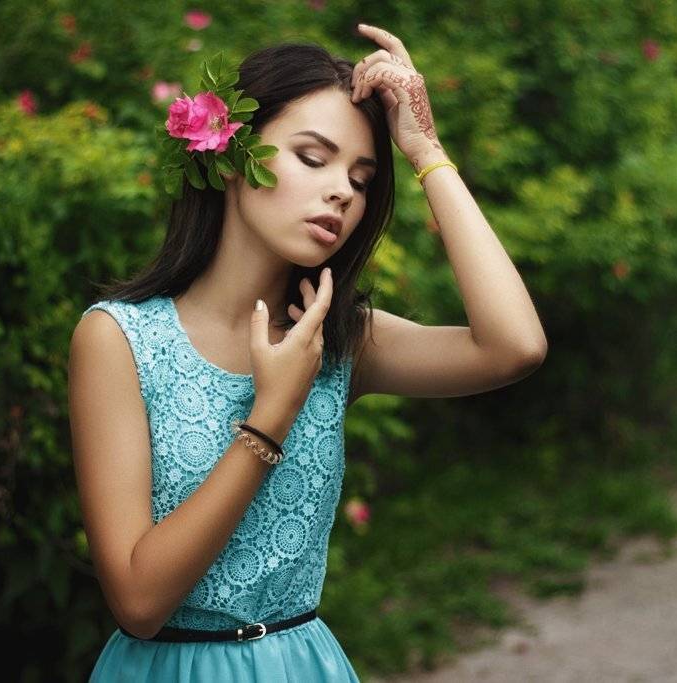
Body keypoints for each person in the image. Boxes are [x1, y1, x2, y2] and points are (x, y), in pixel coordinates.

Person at [68, 24, 547, 683]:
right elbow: (139, 602)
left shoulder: (339, 340)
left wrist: (425, 149)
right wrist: (271, 416)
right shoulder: (120, 340)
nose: (343, 192)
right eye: (313, 158)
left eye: (361, 178)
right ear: (230, 158)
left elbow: (515, 347)